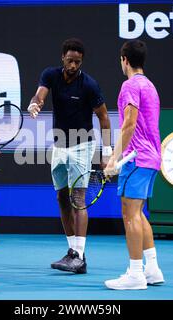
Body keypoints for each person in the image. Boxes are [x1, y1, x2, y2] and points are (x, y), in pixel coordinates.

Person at [28, 38, 111, 274]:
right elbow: (40, 96)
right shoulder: (51, 75)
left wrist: (106, 152)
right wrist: (35, 104)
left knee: (79, 200)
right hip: (59, 147)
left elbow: (104, 118)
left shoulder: (89, 85)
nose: (74, 65)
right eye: (70, 60)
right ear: (62, 57)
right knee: (62, 199)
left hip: (82, 146)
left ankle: (81, 255)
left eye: (78, 62)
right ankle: (72, 252)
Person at [104, 40, 164, 290]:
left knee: (130, 215)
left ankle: (136, 274)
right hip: (152, 158)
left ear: (124, 60)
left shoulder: (129, 85)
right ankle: (152, 269)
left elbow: (129, 123)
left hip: (136, 159)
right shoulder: (150, 85)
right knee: (138, 213)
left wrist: (113, 159)